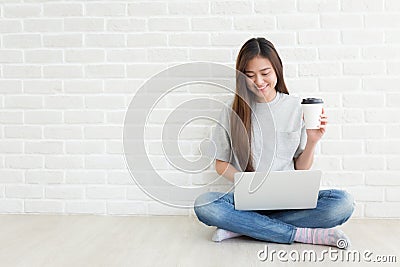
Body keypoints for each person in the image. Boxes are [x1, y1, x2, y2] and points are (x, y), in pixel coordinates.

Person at [193, 37, 355, 249]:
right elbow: (220, 163)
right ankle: (301, 234)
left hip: (289, 202)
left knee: (343, 203)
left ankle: (242, 228)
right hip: (248, 202)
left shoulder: (296, 107)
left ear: (277, 70)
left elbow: (301, 167)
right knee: (205, 205)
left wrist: (313, 141)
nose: (259, 81)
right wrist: (248, 183)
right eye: (250, 76)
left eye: (265, 73)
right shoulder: (232, 111)